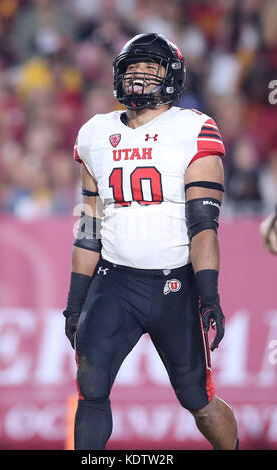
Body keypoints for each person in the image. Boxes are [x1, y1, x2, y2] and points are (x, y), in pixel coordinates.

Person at [63, 33, 239, 450]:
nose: (139, 77)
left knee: (197, 398)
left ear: (172, 77)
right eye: (132, 68)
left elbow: (203, 225)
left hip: (174, 285)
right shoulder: (95, 133)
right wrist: (75, 301)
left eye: (151, 68)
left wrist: (209, 293)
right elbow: (89, 225)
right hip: (114, 281)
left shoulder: (193, 128)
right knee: (90, 386)